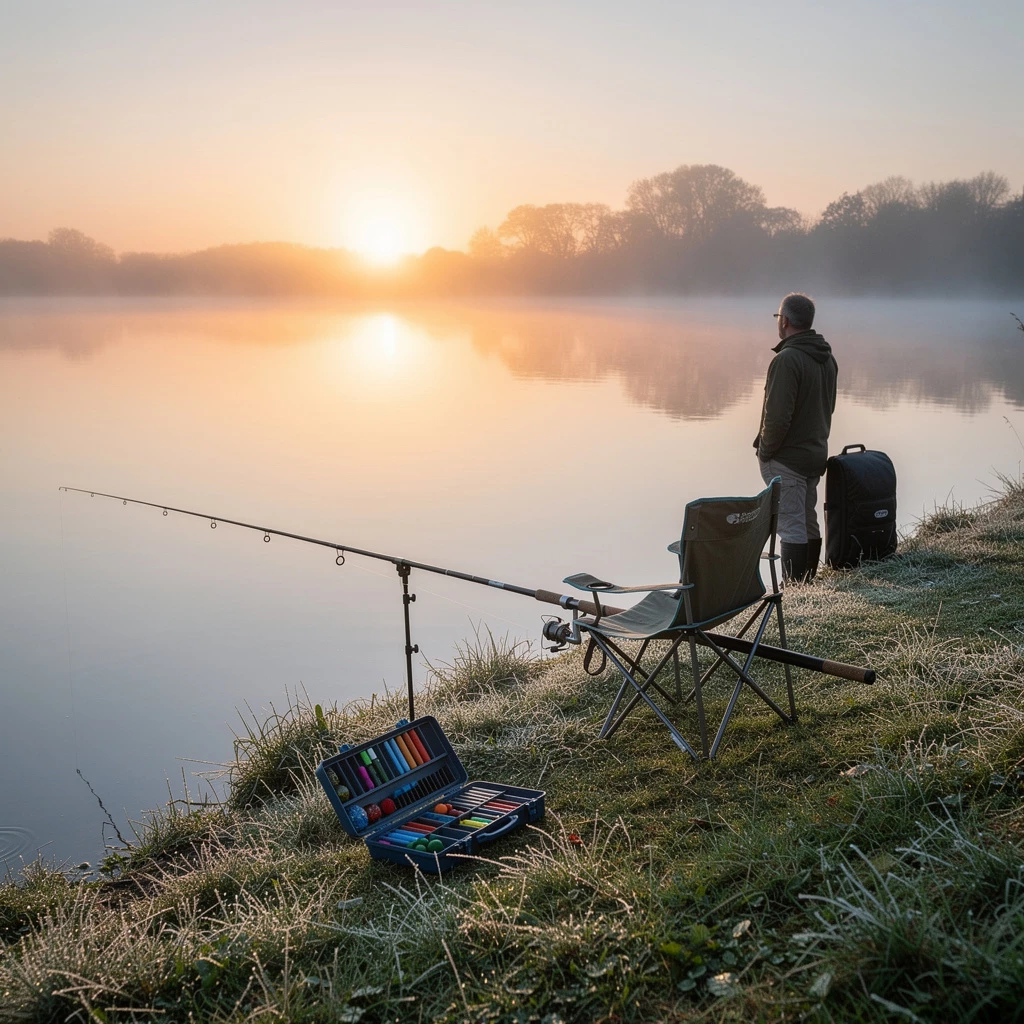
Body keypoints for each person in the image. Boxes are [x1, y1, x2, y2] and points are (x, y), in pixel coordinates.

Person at [753, 293, 837, 581]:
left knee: (790, 524)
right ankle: (808, 582)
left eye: (778, 317)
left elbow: (777, 418)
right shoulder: (827, 358)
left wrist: (765, 452)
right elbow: (830, 408)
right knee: (806, 518)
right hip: (814, 454)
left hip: (787, 458)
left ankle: (795, 589)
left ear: (785, 321)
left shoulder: (787, 360)